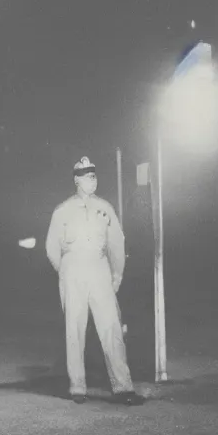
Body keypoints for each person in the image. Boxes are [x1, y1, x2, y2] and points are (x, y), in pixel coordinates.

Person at [45, 156, 145, 406]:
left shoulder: (105, 207)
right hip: (72, 268)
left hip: (99, 266)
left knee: (111, 326)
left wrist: (117, 273)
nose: (93, 180)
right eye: (89, 177)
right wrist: (65, 271)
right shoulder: (62, 210)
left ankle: (123, 387)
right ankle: (77, 387)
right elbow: (51, 247)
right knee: (74, 328)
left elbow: (116, 243)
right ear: (77, 180)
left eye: (95, 176)